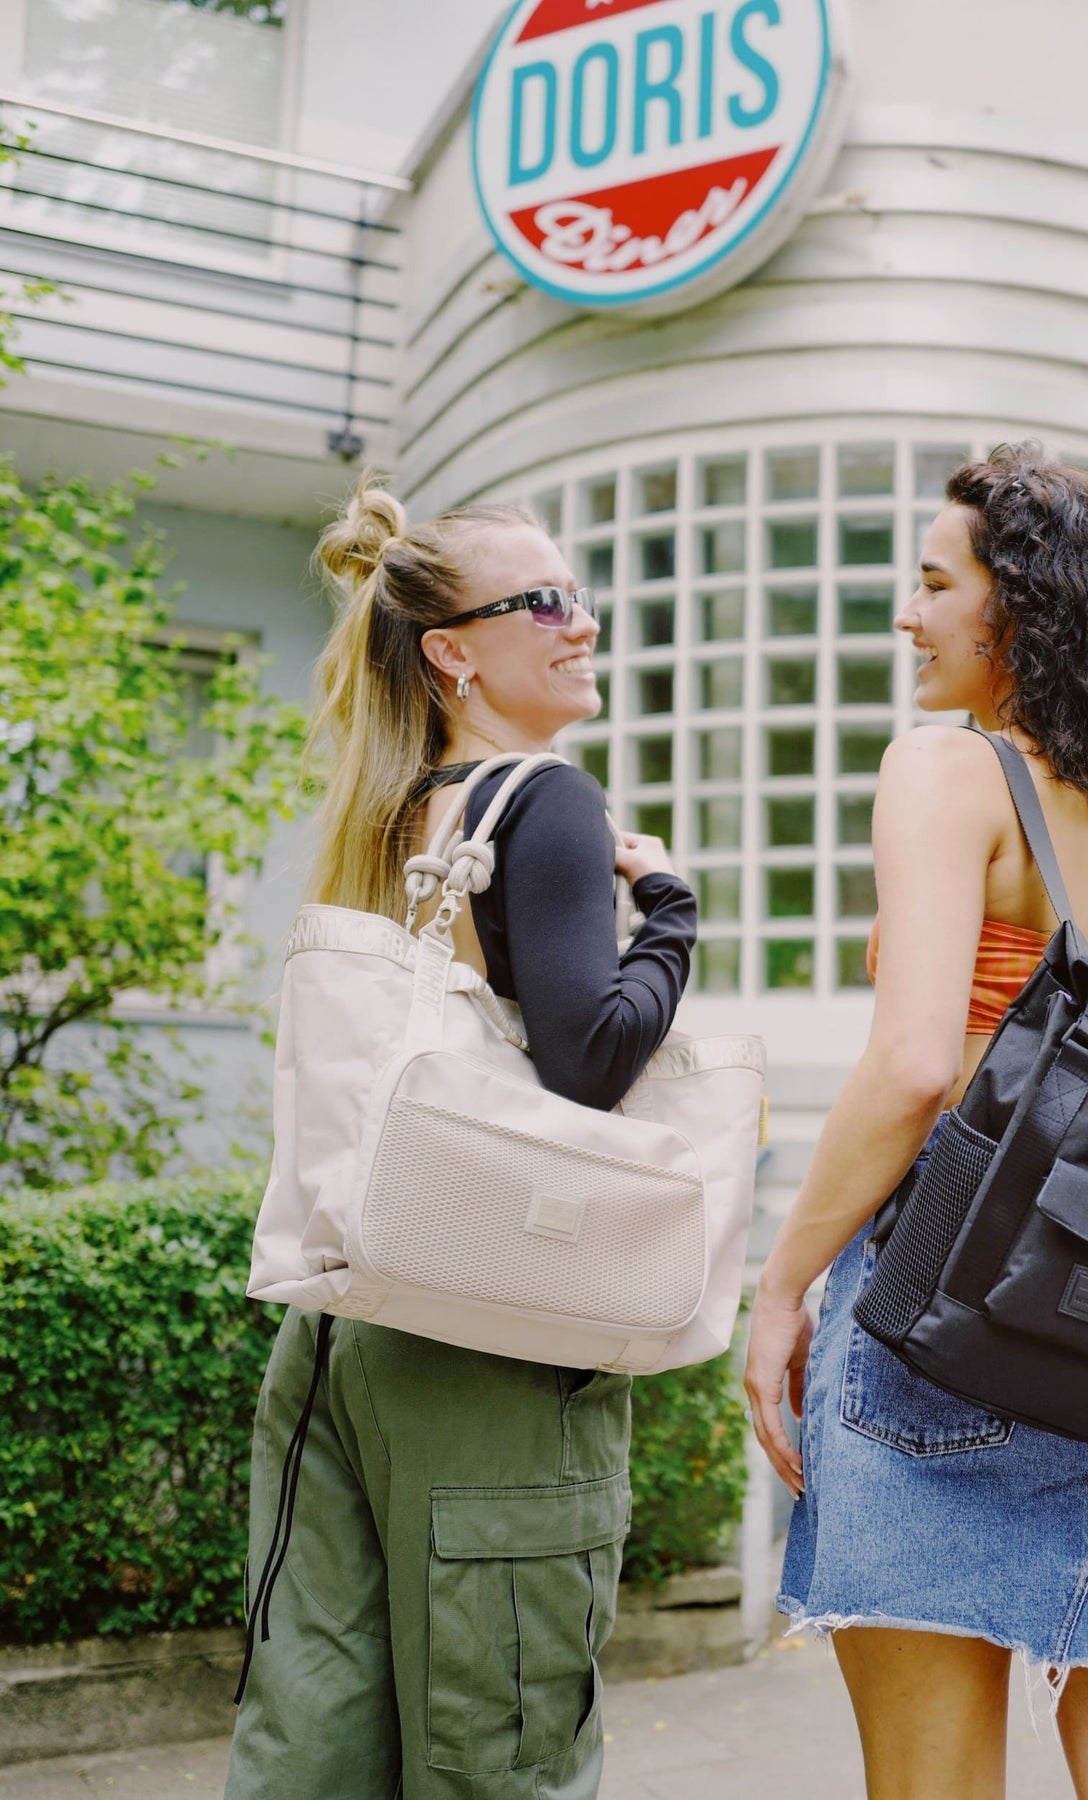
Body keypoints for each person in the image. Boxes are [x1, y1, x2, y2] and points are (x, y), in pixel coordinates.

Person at [745, 444, 1088, 1800]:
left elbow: (910, 1071)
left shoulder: (947, 773)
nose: (910, 615)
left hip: (941, 1315)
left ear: (1013, 607)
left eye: (932, 585)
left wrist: (780, 1288)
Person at [227, 479, 696, 1800]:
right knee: (502, 1758)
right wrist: (669, 914)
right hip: (489, 1342)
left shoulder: (391, 815)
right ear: (453, 650)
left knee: (314, 1741)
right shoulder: (542, 804)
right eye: (544, 602)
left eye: (580, 597)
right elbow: (588, 1062)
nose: (581, 624)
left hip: (341, 1329)